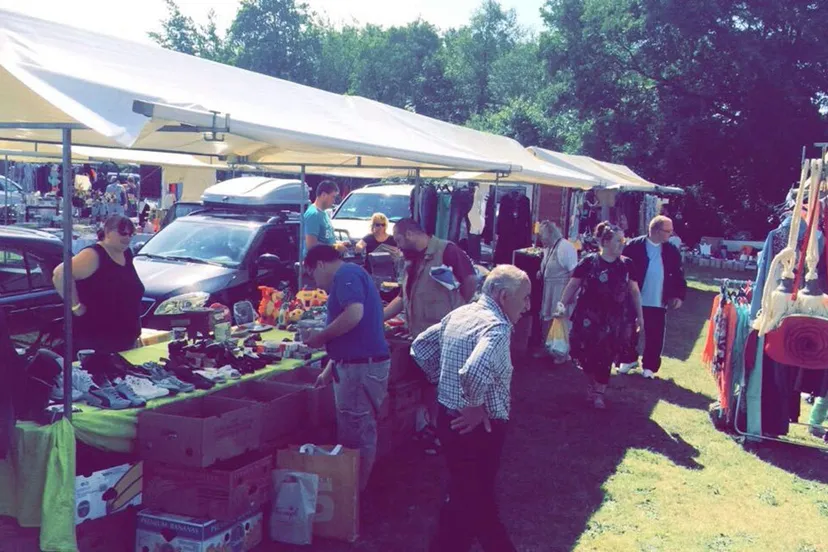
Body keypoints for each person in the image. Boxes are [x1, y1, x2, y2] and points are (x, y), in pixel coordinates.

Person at [411, 264, 530, 552]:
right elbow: (474, 371)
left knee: (466, 494)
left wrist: (442, 380)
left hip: (448, 420)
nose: (527, 306)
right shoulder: (497, 328)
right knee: (479, 503)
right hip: (478, 430)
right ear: (503, 296)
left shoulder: (462, 313)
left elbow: (420, 346)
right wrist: (475, 406)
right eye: (524, 297)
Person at [302, 245, 390, 491]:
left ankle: (352, 498)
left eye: (312, 275)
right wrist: (330, 368)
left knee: (356, 436)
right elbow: (355, 332)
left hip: (361, 368)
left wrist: (320, 337)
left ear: (319, 264)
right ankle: (352, 493)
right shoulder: (350, 274)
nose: (316, 283)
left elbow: (354, 315)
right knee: (356, 430)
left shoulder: (345, 275)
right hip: (357, 364)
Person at [556, 222, 644, 409]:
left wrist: (640, 316)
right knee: (582, 352)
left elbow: (634, 291)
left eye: (623, 239)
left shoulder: (627, 265)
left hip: (614, 321)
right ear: (605, 241)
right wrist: (562, 304)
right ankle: (591, 382)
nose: (623, 243)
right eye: (618, 240)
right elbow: (573, 285)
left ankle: (598, 393)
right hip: (587, 318)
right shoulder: (588, 262)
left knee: (606, 355)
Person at [52, 215, 145, 354]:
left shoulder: (126, 254)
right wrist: (75, 305)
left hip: (124, 342)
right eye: (122, 233)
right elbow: (60, 274)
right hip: (96, 343)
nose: (127, 238)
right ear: (107, 232)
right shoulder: (94, 254)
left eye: (131, 234)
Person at [617, 215, 687, 379]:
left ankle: (650, 366)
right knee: (628, 330)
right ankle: (627, 359)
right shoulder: (633, 246)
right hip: (634, 298)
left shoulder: (671, 250)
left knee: (655, 334)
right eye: (667, 231)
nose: (671, 234)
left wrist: (679, 295)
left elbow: (679, 274)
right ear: (656, 231)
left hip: (658, 299)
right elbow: (622, 269)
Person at [383, 217, 476, 338]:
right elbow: (402, 297)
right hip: (421, 337)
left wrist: (459, 303)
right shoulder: (411, 260)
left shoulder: (447, 251)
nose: (398, 246)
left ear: (409, 234)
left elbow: (470, 280)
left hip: (444, 335)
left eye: (399, 240)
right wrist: (378, 318)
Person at [537, 220, 578, 353]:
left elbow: (574, 273)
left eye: (542, 235)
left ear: (549, 234)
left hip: (560, 290)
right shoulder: (548, 248)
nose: (540, 238)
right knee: (547, 319)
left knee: (561, 320)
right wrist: (541, 272)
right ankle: (548, 348)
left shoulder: (565, 247)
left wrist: (571, 295)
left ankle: (562, 353)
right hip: (549, 289)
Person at [303, 180, 341, 257]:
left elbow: (326, 239)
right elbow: (311, 245)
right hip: (316, 264)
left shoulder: (324, 213)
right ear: (323, 195)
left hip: (326, 261)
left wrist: (337, 244)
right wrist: (335, 247)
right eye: (333, 197)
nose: (334, 201)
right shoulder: (313, 214)